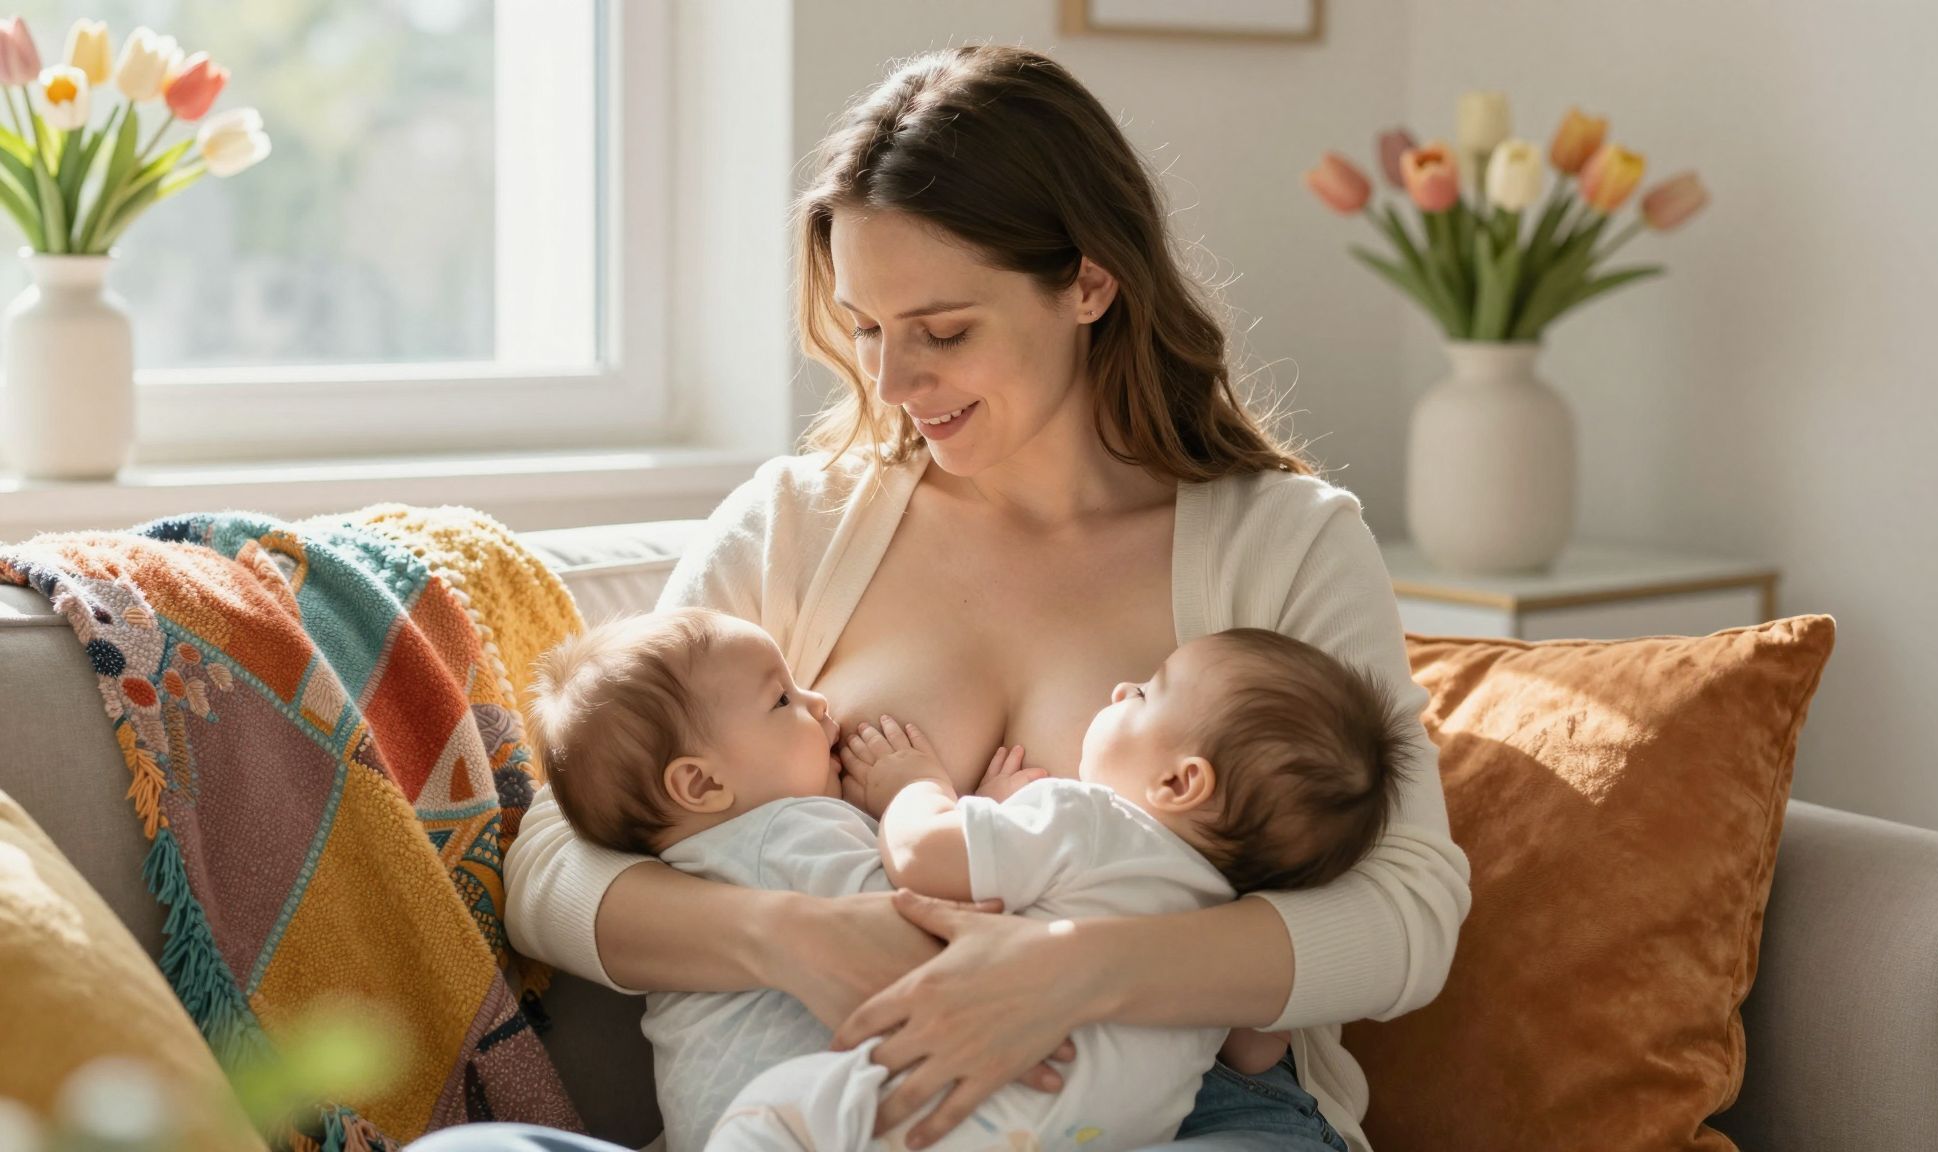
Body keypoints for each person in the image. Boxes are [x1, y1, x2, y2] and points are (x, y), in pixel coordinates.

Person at [414, 41, 1469, 1152]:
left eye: (942, 331)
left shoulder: (1283, 544)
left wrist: (1077, 971)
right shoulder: (793, 525)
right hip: (834, 1100)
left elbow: (1406, 914)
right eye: (867, 329)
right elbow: (550, 867)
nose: (890, 383)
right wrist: (791, 937)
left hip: (1172, 1109)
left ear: (1089, 283)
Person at [711, 627, 1408, 1152]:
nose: (1118, 690)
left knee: (768, 1116)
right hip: (1106, 1134)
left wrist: (913, 784)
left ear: (1178, 782)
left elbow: (925, 855)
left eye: (1145, 692)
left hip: (962, 1104)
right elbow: (1256, 1053)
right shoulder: (1230, 917)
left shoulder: (1090, 819)